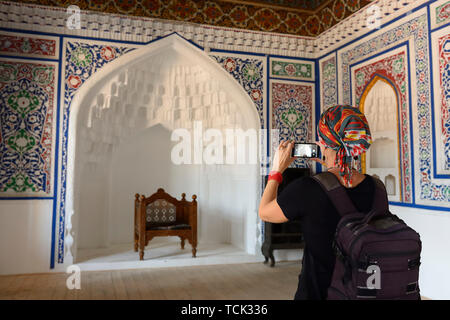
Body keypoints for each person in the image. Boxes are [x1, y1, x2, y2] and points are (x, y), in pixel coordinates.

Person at [258, 105, 374, 300]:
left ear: (324, 143)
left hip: (320, 292)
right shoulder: (376, 187)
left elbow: (265, 212)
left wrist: (276, 170)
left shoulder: (309, 188)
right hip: (364, 290)